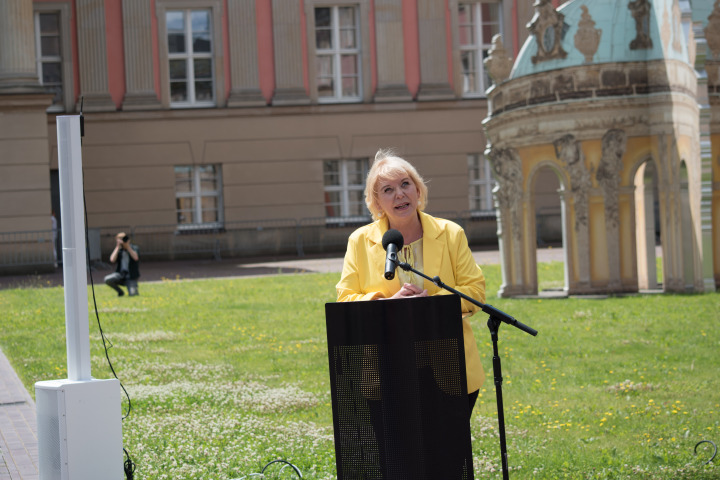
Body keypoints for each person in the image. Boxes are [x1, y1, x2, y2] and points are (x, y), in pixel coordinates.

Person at [336, 148, 486, 414]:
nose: (400, 194)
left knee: (448, 454)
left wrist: (431, 304)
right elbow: (345, 299)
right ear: (376, 201)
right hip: (386, 370)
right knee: (395, 455)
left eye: (405, 184)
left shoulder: (451, 234)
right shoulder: (359, 241)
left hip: (448, 367)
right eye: (387, 190)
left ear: (418, 190)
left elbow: (475, 292)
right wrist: (388, 304)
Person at [104, 232, 140, 296]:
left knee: (133, 294)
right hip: (120, 275)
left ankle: (132, 287)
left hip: (131, 277)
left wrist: (128, 247)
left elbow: (136, 258)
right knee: (107, 279)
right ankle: (120, 292)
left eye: (123, 239)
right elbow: (112, 259)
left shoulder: (134, 248)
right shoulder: (119, 250)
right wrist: (117, 246)